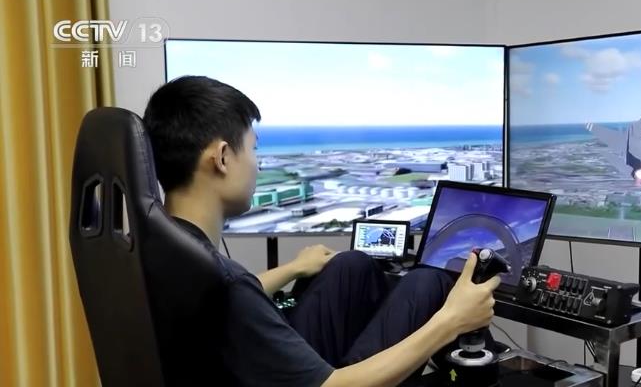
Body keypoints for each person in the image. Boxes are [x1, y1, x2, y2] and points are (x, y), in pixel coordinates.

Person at [141, 75, 501, 387]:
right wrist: (451, 321)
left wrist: (293, 269)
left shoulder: (165, 250)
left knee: (351, 265)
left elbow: (218, 301)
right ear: (222, 158)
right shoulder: (228, 284)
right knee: (428, 282)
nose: (257, 164)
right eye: (253, 149)